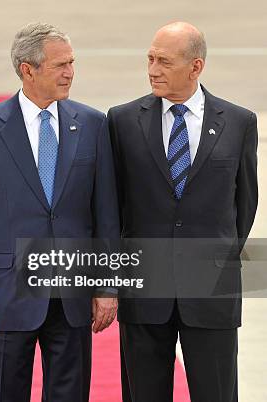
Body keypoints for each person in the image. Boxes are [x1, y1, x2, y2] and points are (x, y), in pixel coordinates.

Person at [0, 23, 120, 402]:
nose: (70, 73)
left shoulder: (92, 124)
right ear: (27, 69)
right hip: (7, 293)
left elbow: (106, 212)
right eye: (60, 65)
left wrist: (107, 285)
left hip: (72, 294)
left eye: (72, 63)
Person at [108, 22, 258, 402]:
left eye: (164, 62)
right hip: (144, 289)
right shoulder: (122, 121)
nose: (153, 70)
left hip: (211, 291)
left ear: (196, 67)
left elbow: (245, 206)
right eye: (150, 59)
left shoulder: (239, 123)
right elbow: (112, 203)